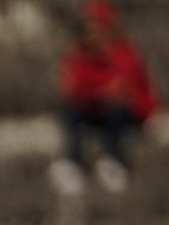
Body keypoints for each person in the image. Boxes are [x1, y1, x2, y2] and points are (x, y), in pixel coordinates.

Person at [50, 0, 159, 196]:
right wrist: (100, 93)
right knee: (70, 110)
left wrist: (149, 111)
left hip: (118, 114)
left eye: (98, 28)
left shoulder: (126, 54)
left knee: (117, 108)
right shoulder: (76, 56)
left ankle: (114, 162)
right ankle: (72, 164)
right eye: (88, 29)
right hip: (90, 111)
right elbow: (72, 90)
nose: (94, 35)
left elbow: (142, 88)